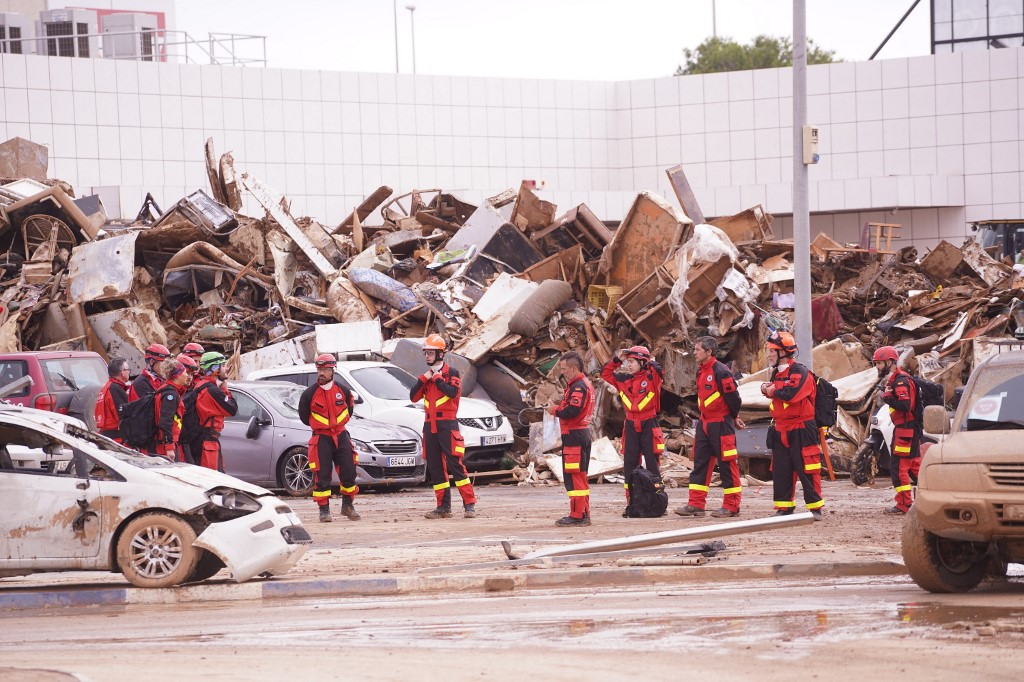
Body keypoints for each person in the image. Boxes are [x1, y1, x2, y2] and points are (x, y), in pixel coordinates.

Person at [676, 336, 745, 518]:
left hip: (721, 424)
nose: (694, 353)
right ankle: (696, 504)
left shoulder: (721, 371)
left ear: (709, 352)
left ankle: (731, 506)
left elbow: (734, 399)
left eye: (698, 350)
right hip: (705, 423)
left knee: (727, 465)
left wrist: (733, 416)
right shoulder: (701, 371)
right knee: (701, 464)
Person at [410, 334, 477, 519]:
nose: (427, 356)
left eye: (430, 353)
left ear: (441, 354)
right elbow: (413, 397)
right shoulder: (426, 377)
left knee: (455, 465)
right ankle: (443, 507)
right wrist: (424, 379)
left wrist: (438, 379)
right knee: (436, 468)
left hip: (447, 425)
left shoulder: (452, 373)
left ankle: (469, 504)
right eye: (425, 353)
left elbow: (453, 392)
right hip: (429, 427)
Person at [760, 331, 825, 520]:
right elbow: (778, 392)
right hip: (780, 428)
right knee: (781, 469)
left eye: (773, 351)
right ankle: (784, 507)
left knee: (807, 468)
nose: (770, 354)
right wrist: (771, 389)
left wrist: (770, 390)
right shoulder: (777, 373)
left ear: (783, 352)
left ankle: (815, 508)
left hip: (801, 428)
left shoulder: (800, 371)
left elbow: (791, 394)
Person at [601, 344, 666, 514]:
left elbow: (659, 371)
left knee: (652, 464)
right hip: (630, 425)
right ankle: (632, 503)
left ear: (642, 362)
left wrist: (649, 360)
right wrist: (618, 359)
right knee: (629, 465)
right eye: (627, 361)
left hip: (649, 423)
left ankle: (659, 503)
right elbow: (605, 374)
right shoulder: (623, 379)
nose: (628, 365)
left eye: (632, 361)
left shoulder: (652, 378)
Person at [298, 353, 360, 523]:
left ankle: (347, 505)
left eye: (325, 369)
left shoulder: (343, 391)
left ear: (333, 370)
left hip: (341, 436)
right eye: (319, 369)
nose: (322, 373)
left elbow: (350, 411)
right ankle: (324, 510)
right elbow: (304, 417)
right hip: (321, 438)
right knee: (322, 475)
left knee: (349, 471)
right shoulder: (309, 394)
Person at [545, 351, 595, 527]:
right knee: (579, 475)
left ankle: (578, 515)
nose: (562, 372)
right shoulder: (579, 385)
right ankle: (583, 513)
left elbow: (573, 411)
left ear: (573, 368)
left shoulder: (579, 386)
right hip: (578, 434)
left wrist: (555, 411)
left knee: (574, 477)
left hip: (575, 436)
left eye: (564, 369)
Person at [873, 346, 921, 515]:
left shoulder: (900, 381)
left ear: (890, 362)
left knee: (899, 468)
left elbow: (905, 405)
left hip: (905, 431)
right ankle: (935, 495)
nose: (877, 367)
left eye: (879, 363)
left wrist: (887, 398)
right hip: (909, 430)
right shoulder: (898, 379)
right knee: (916, 467)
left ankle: (904, 504)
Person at [188, 351, 238, 471]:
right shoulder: (212, 390)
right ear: (214, 368)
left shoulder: (201, 385)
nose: (226, 368)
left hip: (203, 440)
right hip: (207, 443)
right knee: (211, 480)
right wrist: (225, 388)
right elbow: (232, 409)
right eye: (223, 365)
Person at [153, 359, 190, 462]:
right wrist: (169, 448)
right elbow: (165, 421)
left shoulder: (166, 389)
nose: (187, 375)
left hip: (166, 442)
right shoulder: (170, 394)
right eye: (185, 372)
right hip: (165, 445)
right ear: (178, 376)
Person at [95, 356, 130, 442]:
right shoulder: (115, 389)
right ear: (122, 372)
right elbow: (123, 415)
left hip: (107, 434)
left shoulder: (108, 387)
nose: (129, 372)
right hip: (116, 438)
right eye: (128, 370)